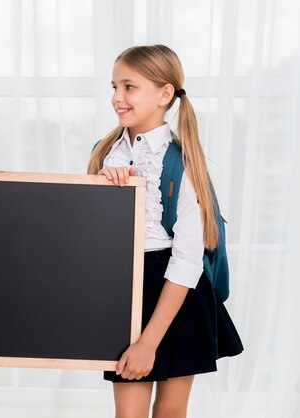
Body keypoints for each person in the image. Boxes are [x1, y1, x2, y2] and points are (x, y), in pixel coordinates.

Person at [88, 44, 243, 418]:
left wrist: (148, 342)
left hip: (178, 294)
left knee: (171, 410)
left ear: (164, 94)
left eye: (129, 87)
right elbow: (91, 232)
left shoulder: (183, 162)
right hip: (128, 291)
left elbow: (188, 260)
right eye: (114, 86)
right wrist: (105, 188)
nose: (116, 98)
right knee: (129, 412)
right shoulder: (106, 152)